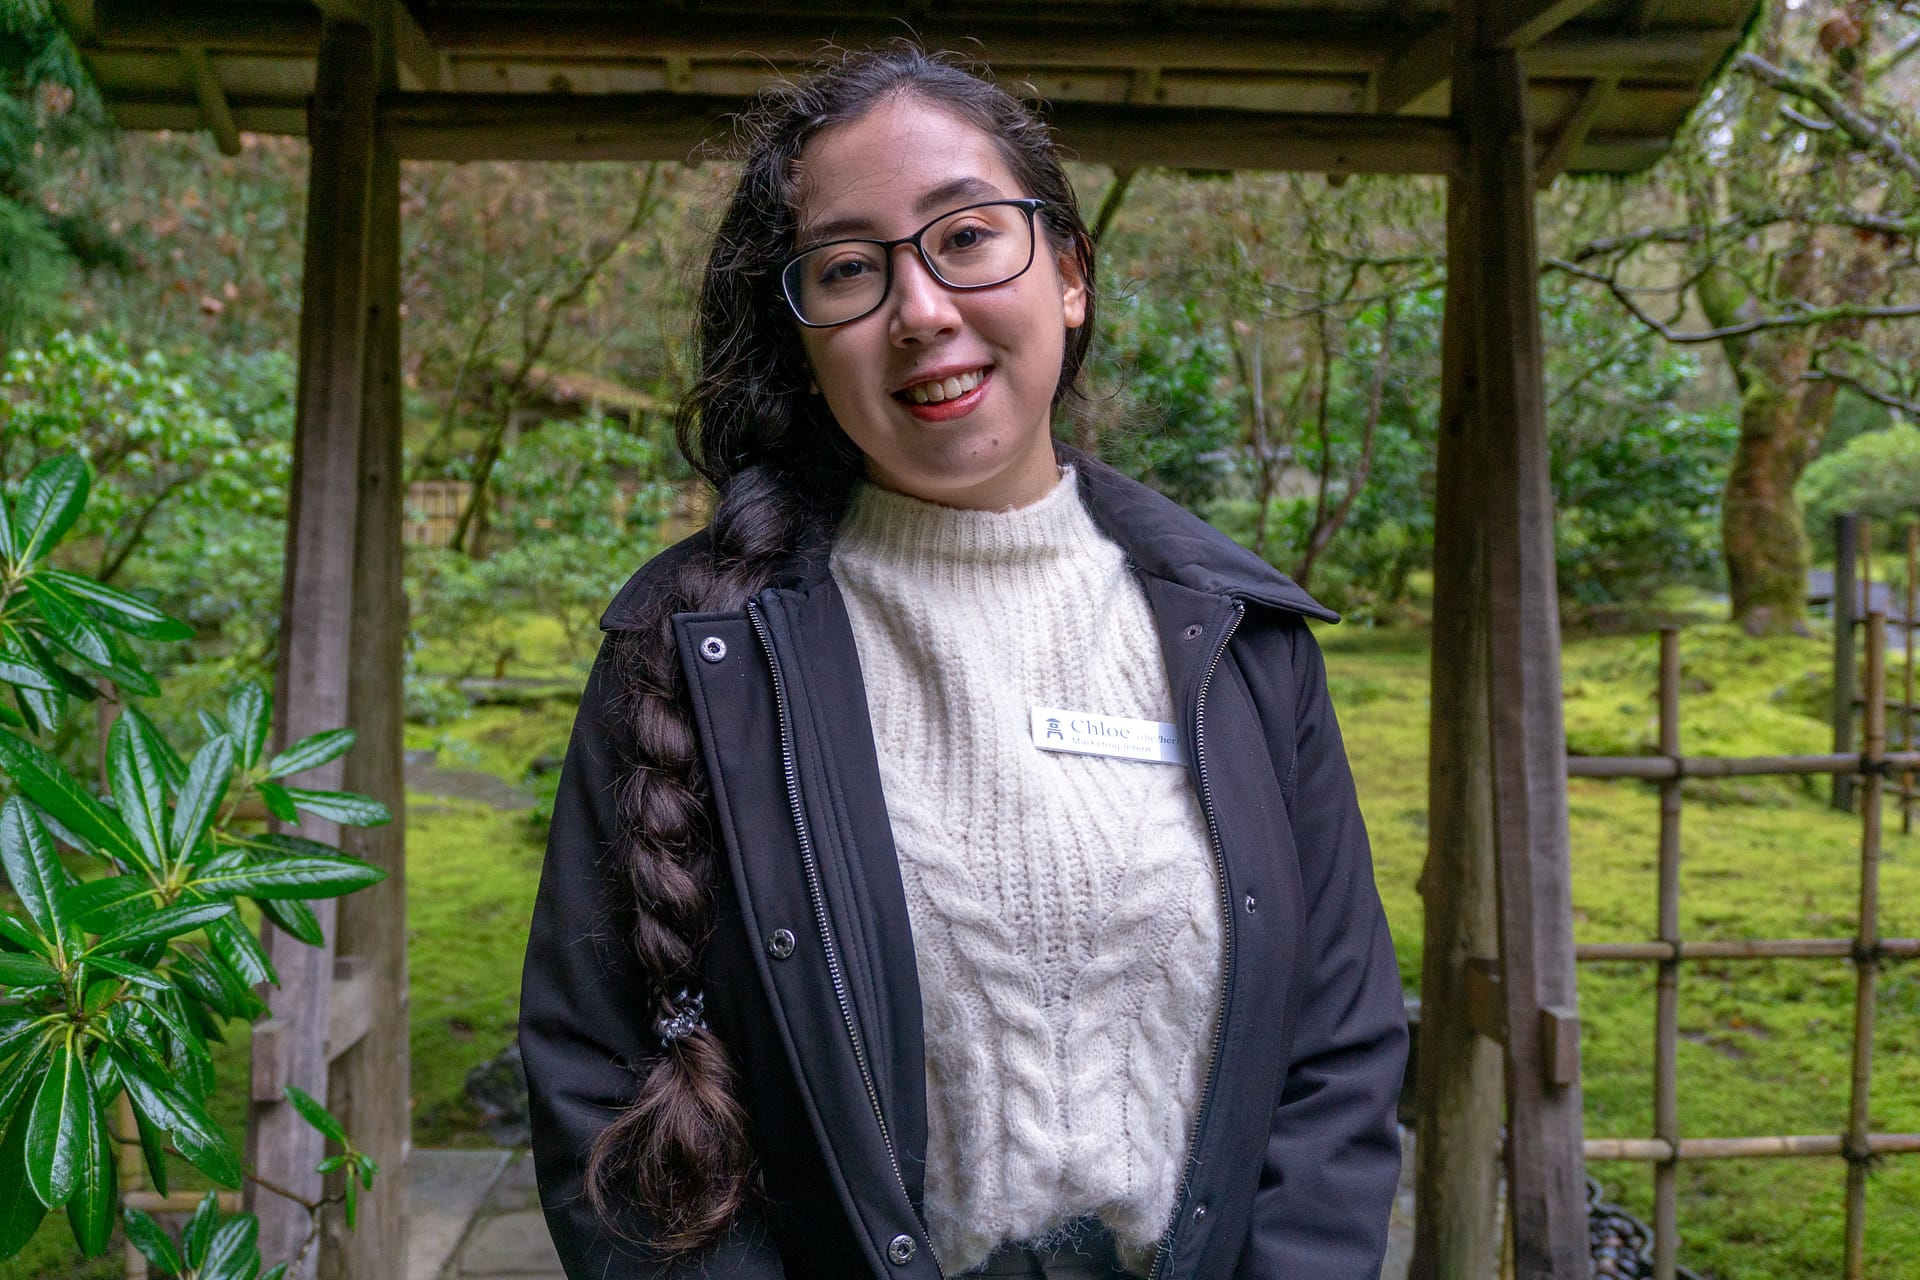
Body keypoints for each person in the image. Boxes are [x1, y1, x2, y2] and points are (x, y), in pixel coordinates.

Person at [518, 44, 1406, 1280]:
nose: (921, 309)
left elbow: (1338, 1051)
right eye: (847, 269)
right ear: (805, 338)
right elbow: (593, 1071)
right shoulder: (693, 649)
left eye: (968, 238)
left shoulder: (1237, 637)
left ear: (1071, 274)